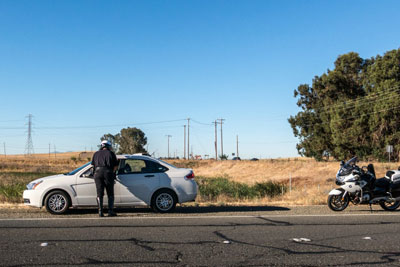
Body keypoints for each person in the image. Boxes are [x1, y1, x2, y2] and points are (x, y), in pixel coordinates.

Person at [91, 140, 118, 217]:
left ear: (102, 146)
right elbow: (115, 166)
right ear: (109, 146)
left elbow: (93, 166)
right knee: (110, 193)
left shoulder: (96, 154)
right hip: (108, 173)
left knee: (99, 193)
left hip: (97, 173)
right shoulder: (111, 153)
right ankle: (110, 211)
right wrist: (112, 172)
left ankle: (100, 212)